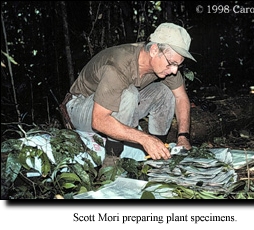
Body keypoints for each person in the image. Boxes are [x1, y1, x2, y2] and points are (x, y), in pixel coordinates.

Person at [62, 22, 196, 165]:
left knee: (165, 92)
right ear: (154, 50)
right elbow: (99, 120)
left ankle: (158, 154)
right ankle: (111, 162)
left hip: (117, 104)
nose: (175, 70)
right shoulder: (119, 65)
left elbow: (180, 97)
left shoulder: (165, 66)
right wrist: (144, 139)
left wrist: (183, 136)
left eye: (178, 65)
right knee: (129, 94)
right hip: (80, 108)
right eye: (171, 63)